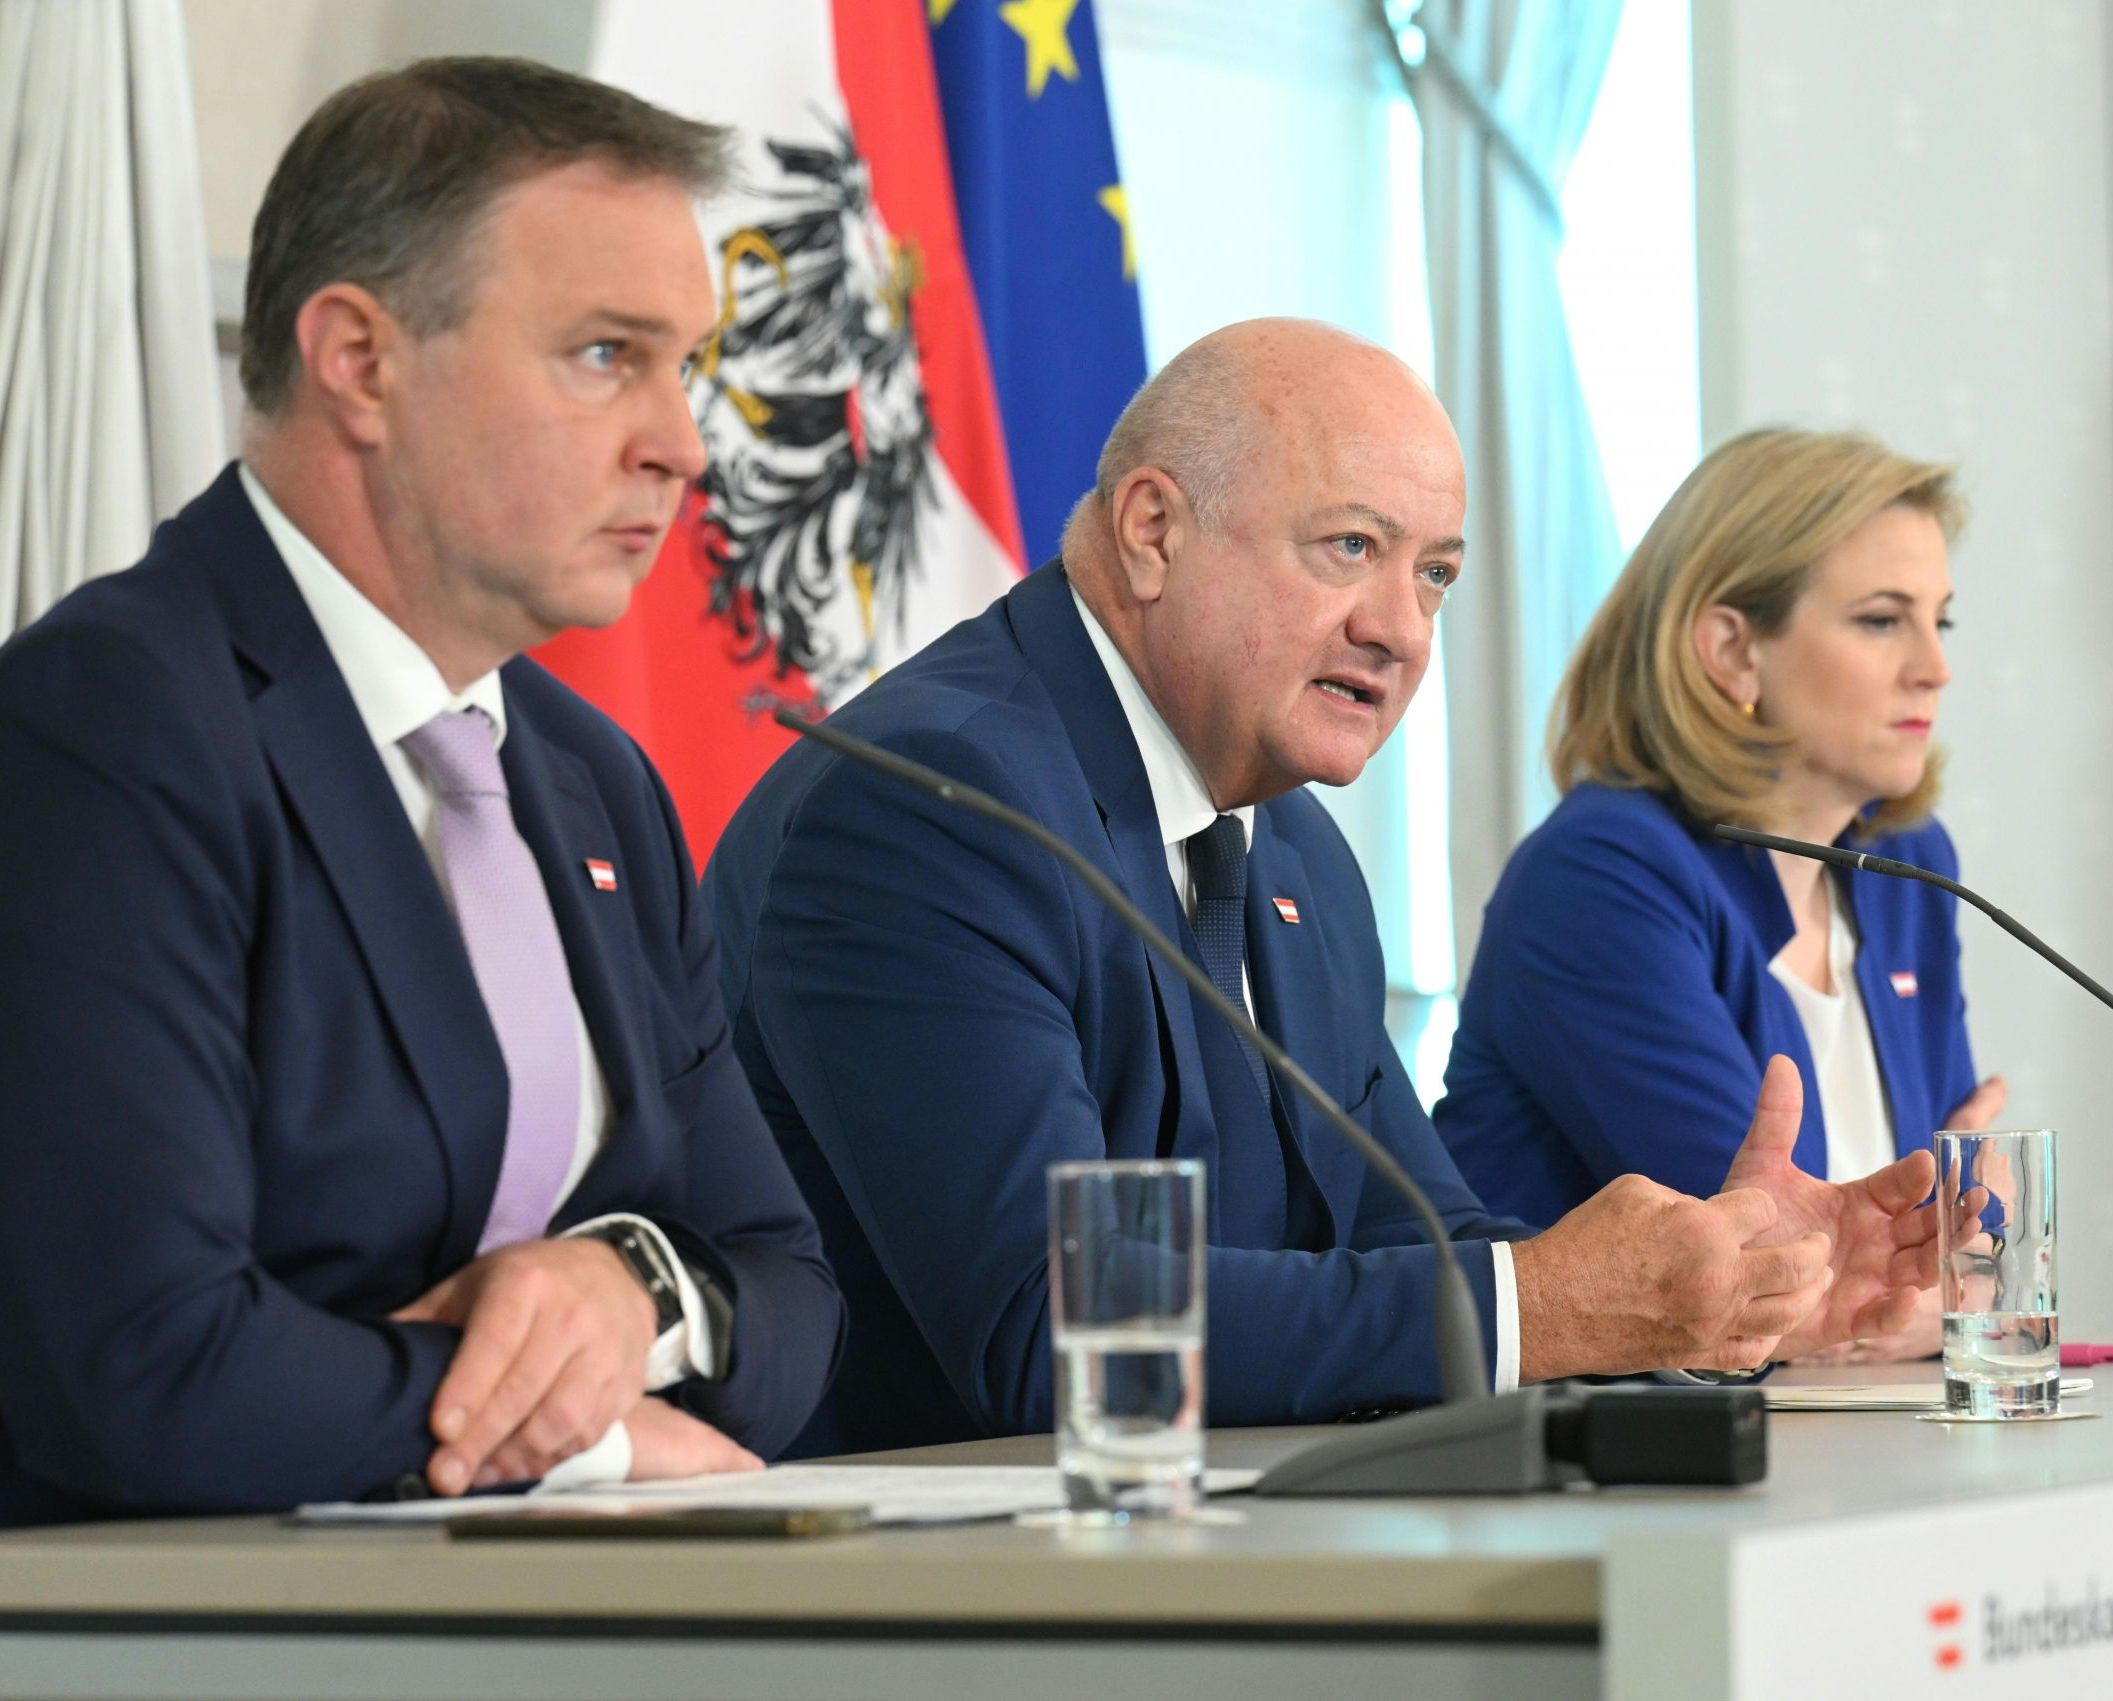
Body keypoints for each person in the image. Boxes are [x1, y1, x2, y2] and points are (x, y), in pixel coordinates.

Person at [705, 324, 1948, 1457]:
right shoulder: (936, 807)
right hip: (929, 1574)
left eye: (1435, 575)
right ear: (1153, 531)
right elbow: (1057, 1327)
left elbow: (1420, 1240)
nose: (1401, 629)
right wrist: (1550, 1306)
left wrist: (1725, 1292)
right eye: (1351, 548)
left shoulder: (1293, 850)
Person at [0, 58, 844, 1527]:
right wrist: (587, 1435)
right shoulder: (109, 726)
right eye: (606, 354)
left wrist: (633, 1288)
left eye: (686, 365)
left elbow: (790, 1294)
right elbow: (146, 1371)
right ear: (360, 361)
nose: (683, 443)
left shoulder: (594, 780)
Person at [1433, 428, 2001, 1357]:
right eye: (1881, 620)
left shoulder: (1907, 865)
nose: (1934, 667)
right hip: (1610, 1433)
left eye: (1939, 622)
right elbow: (1772, 1281)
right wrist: (1955, 1282)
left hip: (1852, 1422)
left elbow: (1946, 1243)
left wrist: (1951, 1272)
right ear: (1733, 649)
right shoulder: (1603, 875)